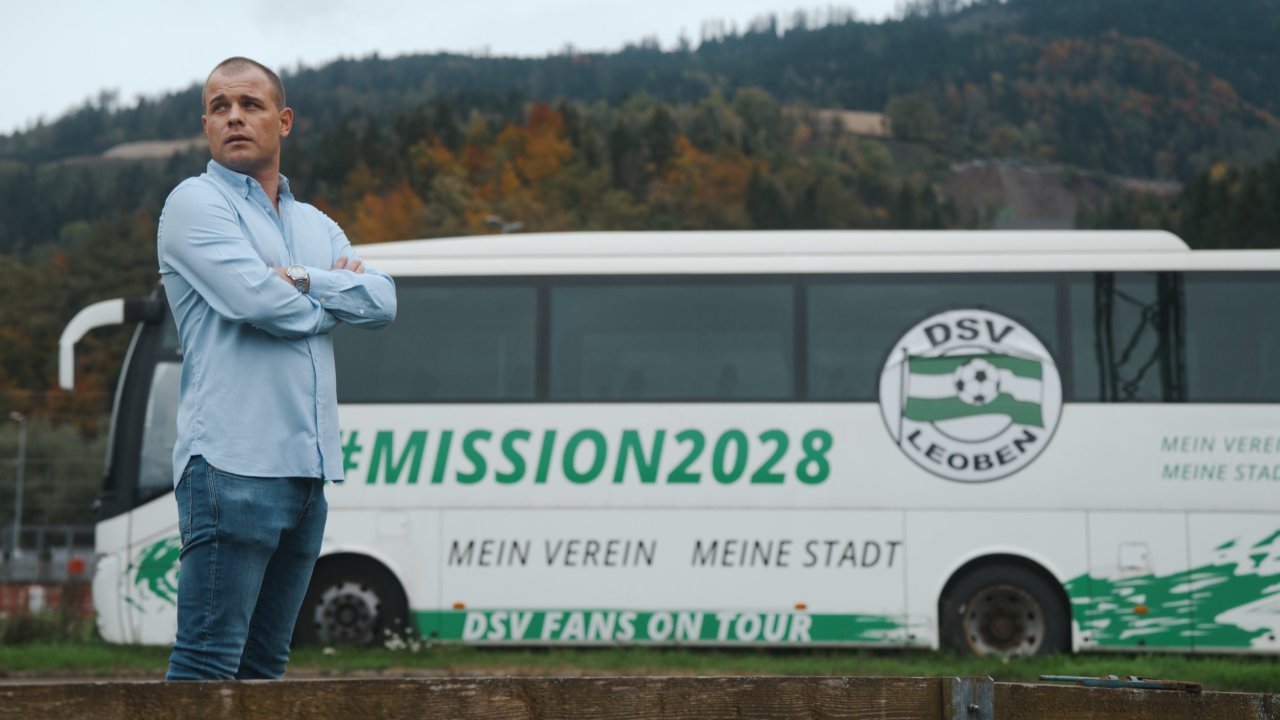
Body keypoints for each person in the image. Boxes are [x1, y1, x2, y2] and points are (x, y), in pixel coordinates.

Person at [157, 56, 397, 680]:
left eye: (251, 105)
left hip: (307, 473)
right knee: (208, 662)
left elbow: (383, 302)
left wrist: (299, 279)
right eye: (219, 107)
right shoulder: (193, 204)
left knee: (265, 669)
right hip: (231, 467)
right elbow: (255, 303)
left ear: (283, 121)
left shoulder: (315, 224)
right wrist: (328, 303)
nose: (234, 117)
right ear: (206, 125)